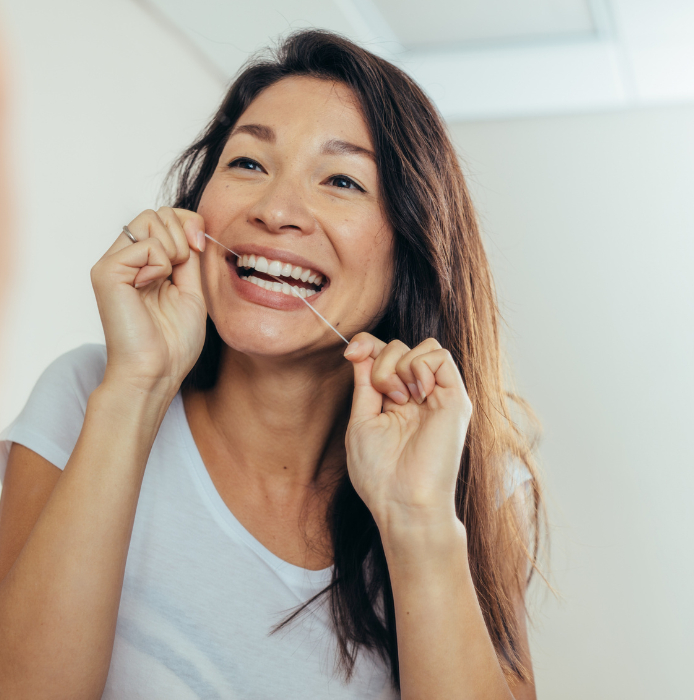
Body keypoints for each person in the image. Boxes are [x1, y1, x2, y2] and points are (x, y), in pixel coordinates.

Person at [0, 30, 543, 699]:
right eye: (249, 164)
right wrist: (136, 390)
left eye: (341, 179)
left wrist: (419, 520)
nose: (276, 210)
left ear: (411, 247)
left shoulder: (477, 480)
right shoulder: (87, 394)